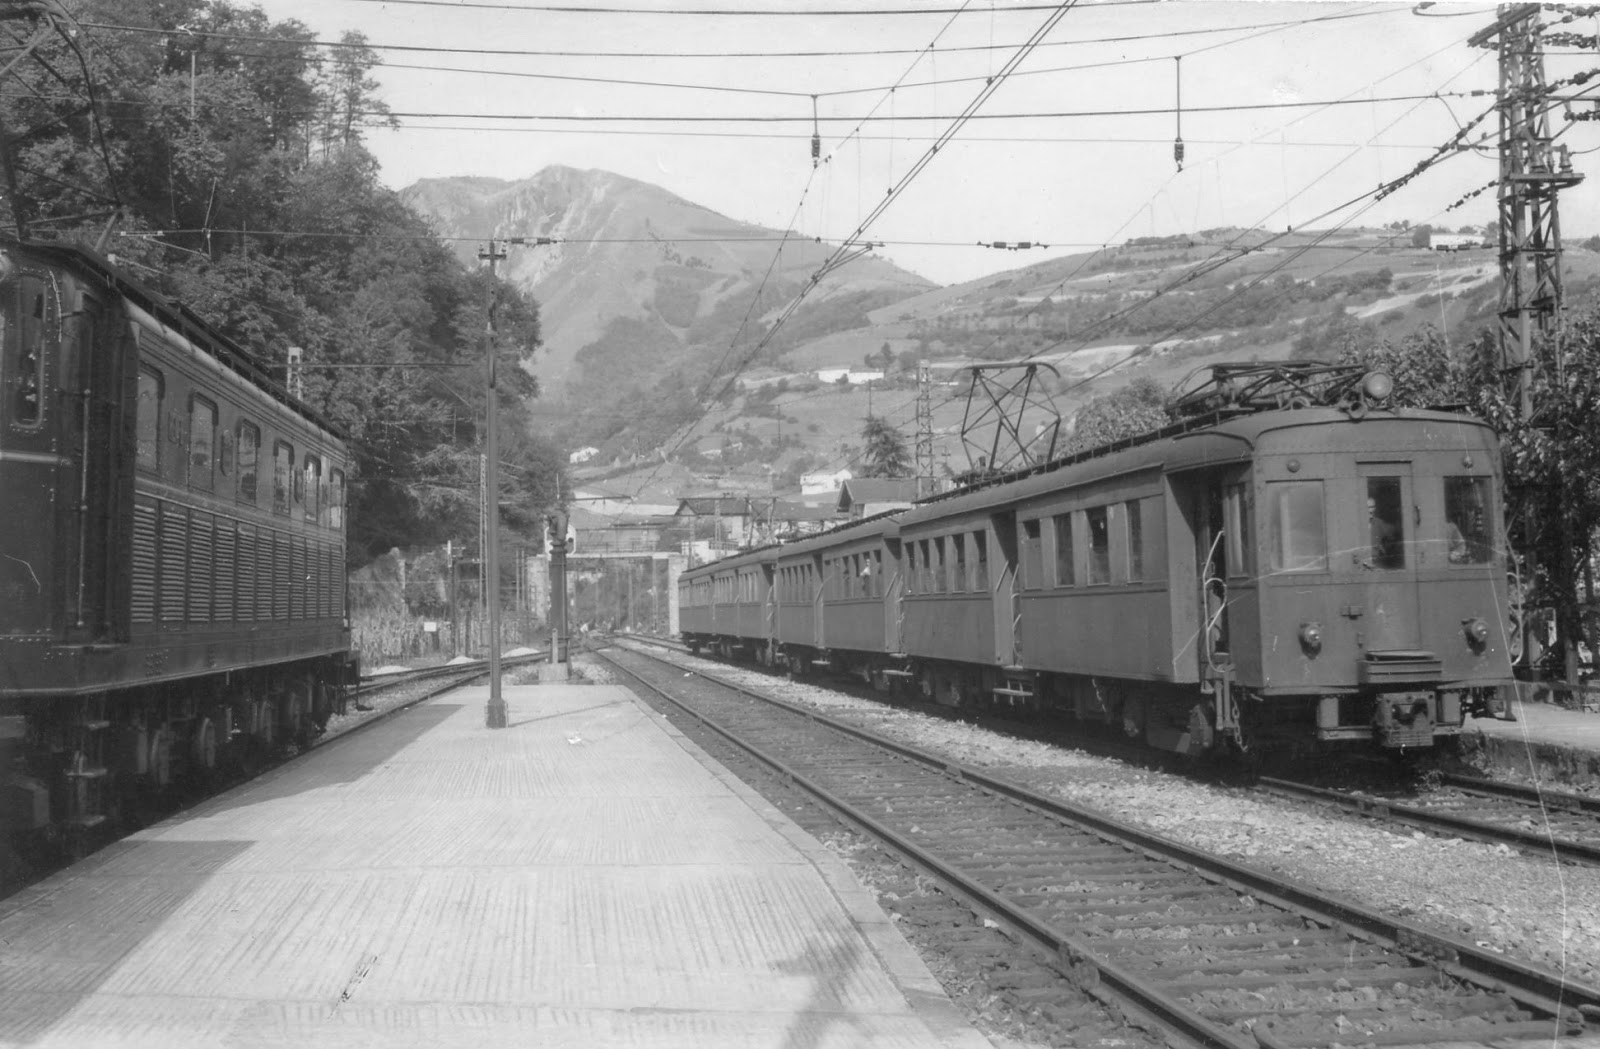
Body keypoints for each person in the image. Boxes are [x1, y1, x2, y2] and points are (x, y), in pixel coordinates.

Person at [1368, 496, 1401, 567]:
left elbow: (1394, 532)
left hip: (1376, 563)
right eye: (1368, 507)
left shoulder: (1379, 522)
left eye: (1372, 507)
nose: (1371, 510)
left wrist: (1383, 549)